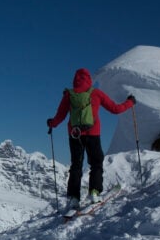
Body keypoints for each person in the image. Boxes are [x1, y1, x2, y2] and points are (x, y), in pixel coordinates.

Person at [47, 68, 135, 211]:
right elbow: (115, 109)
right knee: (96, 163)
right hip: (93, 134)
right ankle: (94, 192)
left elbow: (60, 116)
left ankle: (74, 199)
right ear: (89, 79)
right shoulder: (95, 93)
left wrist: (51, 123)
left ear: (75, 80)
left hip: (74, 134)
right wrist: (130, 103)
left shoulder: (69, 95)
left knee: (76, 165)